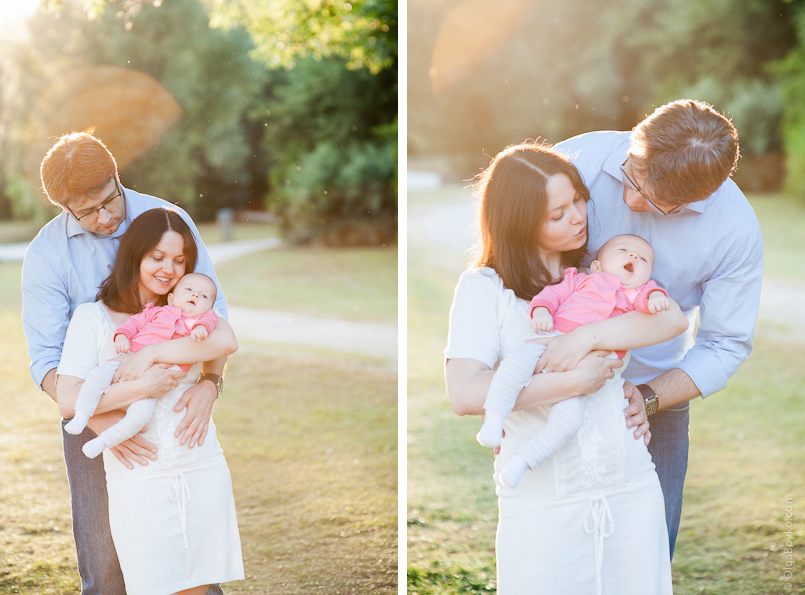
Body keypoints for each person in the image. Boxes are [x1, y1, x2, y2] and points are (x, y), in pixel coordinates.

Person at [445, 142, 689, 594]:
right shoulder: (485, 289)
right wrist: (573, 383)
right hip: (543, 496)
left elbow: (672, 319)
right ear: (519, 223)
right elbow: (464, 392)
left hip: (628, 485)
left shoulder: (603, 274)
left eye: (578, 199)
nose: (578, 217)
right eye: (557, 214)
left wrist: (589, 337)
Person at [550, 99, 764, 558]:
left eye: (655, 203)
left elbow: (725, 344)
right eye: (630, 175)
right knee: (557, 539)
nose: (631, 200)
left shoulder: (735, 230)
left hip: (654, 402)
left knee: (648, 544)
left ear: (702, 195)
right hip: (552, 385)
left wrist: (647, 397)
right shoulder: (574, 163)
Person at [22, 132, 230, 595]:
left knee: (186, 557)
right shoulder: (46, 256)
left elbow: (213, 314)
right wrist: (99, 416)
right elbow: (47, 363)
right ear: (63, 207)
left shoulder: (169, 221)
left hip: (172, 411)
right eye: (85, 211)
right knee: (106, 565)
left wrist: (211, 382)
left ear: (117, 175)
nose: (104, 217)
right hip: (92, 415)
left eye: (107, 201)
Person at [56, 208, 244, 595]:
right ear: (135, 255)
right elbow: (69, 400)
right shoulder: (92, 318)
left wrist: (151, 355)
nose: (169, 269)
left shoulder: (190, 313)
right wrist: (143, 386)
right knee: (153, 583)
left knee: (198, 585)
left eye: (179, 261)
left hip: (199, 464)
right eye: (157, 257)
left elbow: (227, 341)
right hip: (140, 477)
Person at [477, 234, 670, 488]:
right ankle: (494, 419)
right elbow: (552, 295)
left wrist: (655, 297)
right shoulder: (581, 279)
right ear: (597, 266)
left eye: (644, 259)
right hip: (552, 340)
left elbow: (650, 298)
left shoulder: (635, 295)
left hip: (585, 369)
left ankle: (522, 462)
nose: (633, 256)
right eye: (623, 250)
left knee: (568, 423)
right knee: (515, 366)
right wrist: (543, 310)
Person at [65, 273, 220, 460]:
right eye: (189, 290)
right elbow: (134, 323)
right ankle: (82, 415)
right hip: (129, 360)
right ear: (171, 298)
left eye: (204, 296)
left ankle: (103, 442)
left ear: (210, 308)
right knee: (98, 375)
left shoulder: (199, 323)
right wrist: (122, 336)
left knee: (140, 418)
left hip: (155, 383)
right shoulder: (155, 311)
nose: (195, 295)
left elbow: (211, 322)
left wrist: (202, 328)